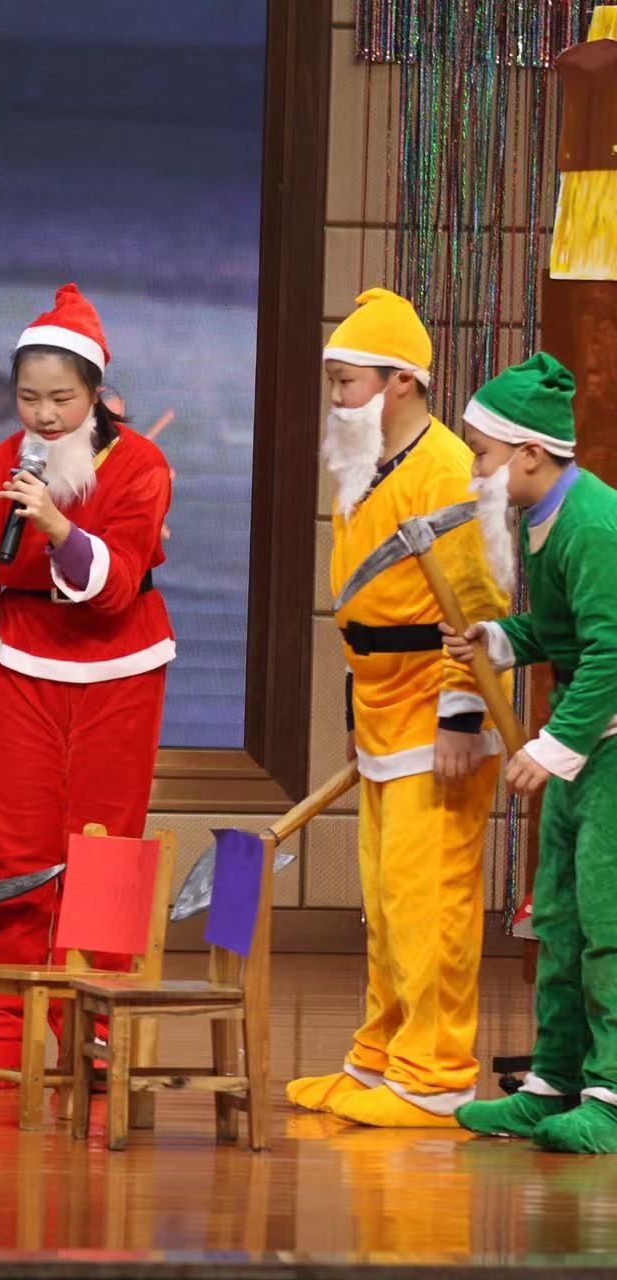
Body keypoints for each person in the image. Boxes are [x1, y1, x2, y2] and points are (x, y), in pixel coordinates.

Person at [0, 284, 174, 1080]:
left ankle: (94, 1032)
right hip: (21, 664)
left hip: (120, 666)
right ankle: (2, 1035)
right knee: (13, 844)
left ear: (96, 393)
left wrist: (58, 527)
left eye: (62, 400)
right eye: (29, 398)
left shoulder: (142, 466)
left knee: (107, 848)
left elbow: (118, 585)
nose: (43, 416)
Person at [287, 287, 507, 1128]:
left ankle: (435, 1075)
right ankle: (381, 1060)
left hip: (433, 707)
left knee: (430, 898)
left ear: (401, 382)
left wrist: (462, 716)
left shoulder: (447, 468)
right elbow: (363, 599)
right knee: (385, 902)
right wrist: (354, 707)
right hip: (380, 706)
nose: (338, 398)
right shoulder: (363, 463)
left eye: (348, 382)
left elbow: (478, 600)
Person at [444, 354, 617, 1154]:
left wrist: (553, 746)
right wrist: (497, 639)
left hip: (606, 748)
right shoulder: (540, 520)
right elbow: (558, 632)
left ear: (530, 453)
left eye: (482, 454)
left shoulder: (594, 526)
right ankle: (554, 1082)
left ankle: (610, 1095)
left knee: (608, 923)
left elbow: (612, 652)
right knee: (560, 919)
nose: (475, 470)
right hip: (586, 746)